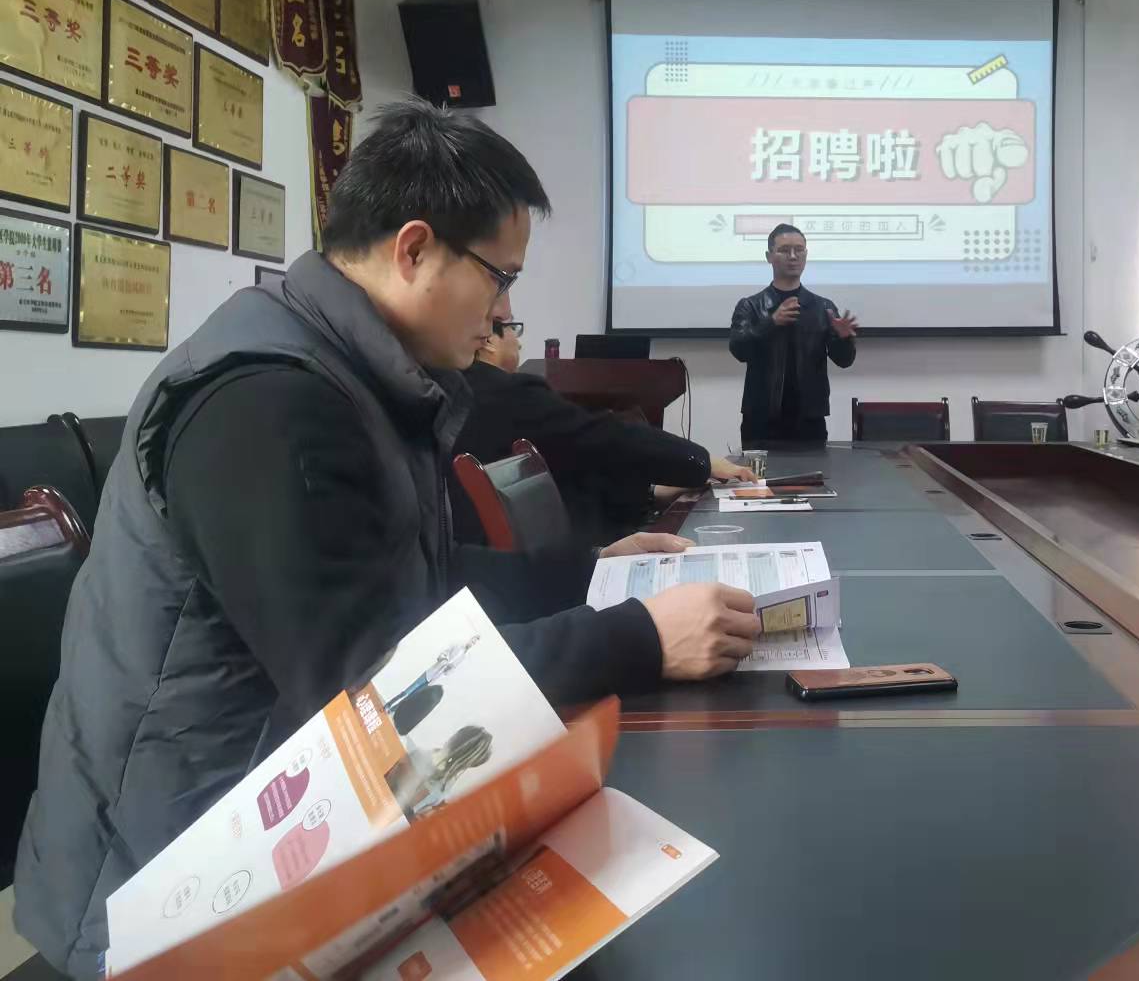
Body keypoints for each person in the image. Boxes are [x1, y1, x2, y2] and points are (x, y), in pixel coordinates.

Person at [16, 99, 761, 979]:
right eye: (499, 277)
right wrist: (637, 638)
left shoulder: (353, 370)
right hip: (169, 897)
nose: (504, 311)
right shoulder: (268, 404)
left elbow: (407, 579)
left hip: (274, 834)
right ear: (414, 250)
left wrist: (590, 572)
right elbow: (375, 694)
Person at [453, 312, 756, 549]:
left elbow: (571, 467)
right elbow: (603, 437)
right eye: (512, 329)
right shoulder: (505, 393)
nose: (519, 342)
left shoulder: (455, 388)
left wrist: (650, 494)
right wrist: (702, 461)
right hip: (561, 564)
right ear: (488, 340)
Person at [730, 224, 858, 447]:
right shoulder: (750, 305)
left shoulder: (823, 307)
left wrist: (844, 338)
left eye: (799, 250)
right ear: (769, 256)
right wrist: (771, 322)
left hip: (809, 419)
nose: (792, 256)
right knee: (760, 471)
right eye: (784, 250)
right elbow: (739, 350)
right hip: (761, 418)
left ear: (806, 255)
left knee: (814, 470)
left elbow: (844, 361)